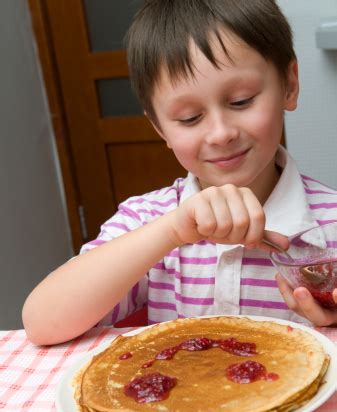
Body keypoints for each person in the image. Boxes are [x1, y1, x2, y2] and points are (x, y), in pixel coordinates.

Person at [22, 0, 337, 346]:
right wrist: (172, 230)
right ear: (159, 128)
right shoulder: (147, 220)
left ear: (289, 86)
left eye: (242, 101)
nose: (220, 133)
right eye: (189, 118)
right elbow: (41, 324)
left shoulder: (331, 221)